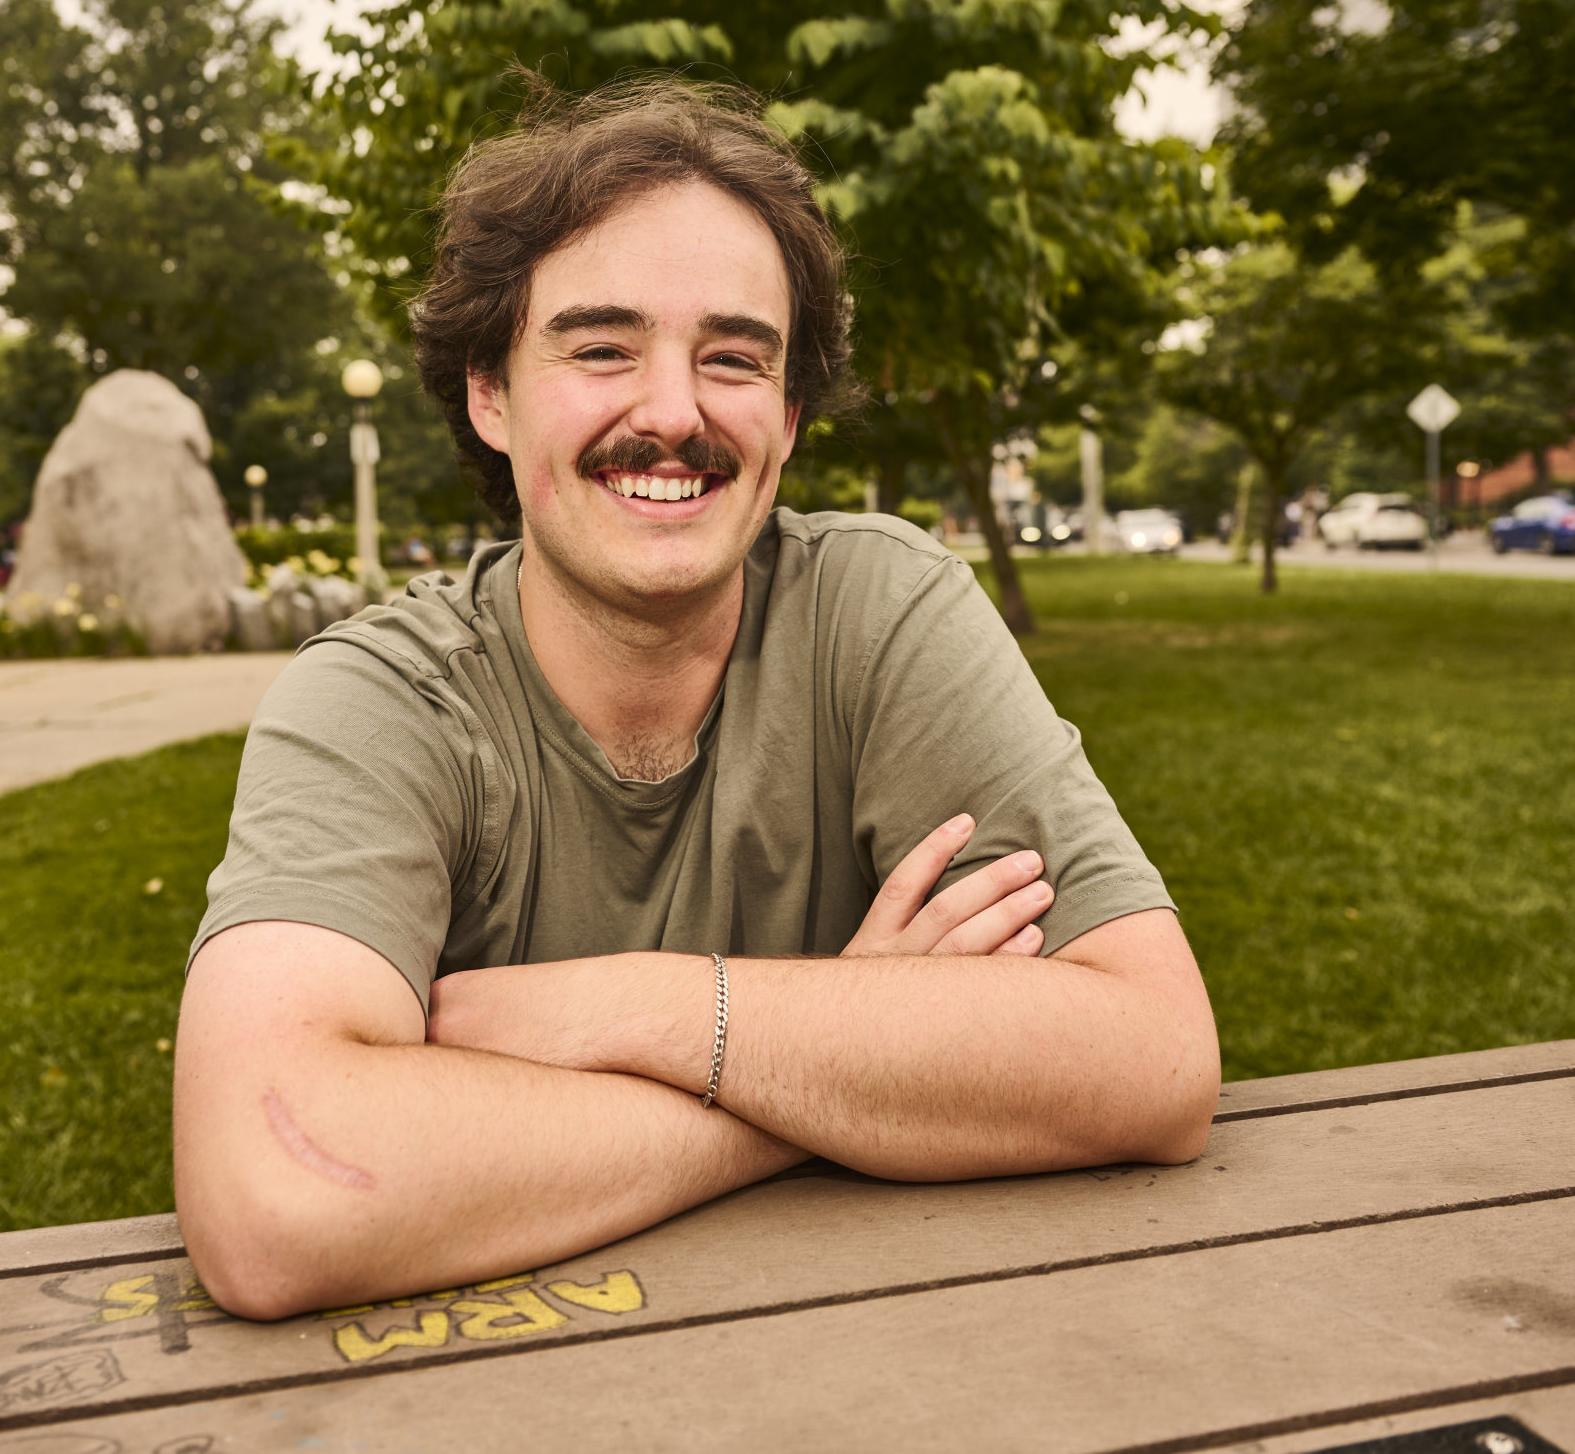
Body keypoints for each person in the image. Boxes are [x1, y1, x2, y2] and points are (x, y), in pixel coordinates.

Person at [172, 79, 1218, 1320]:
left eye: (733, 358)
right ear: (490, 393)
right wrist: (835, 1064)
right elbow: (279, 1198)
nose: (672, 413)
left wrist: (642, 1010)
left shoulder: (882, 610)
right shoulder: (379, 697)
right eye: (601, 346)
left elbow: (1154, 1059)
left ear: (786, 416)